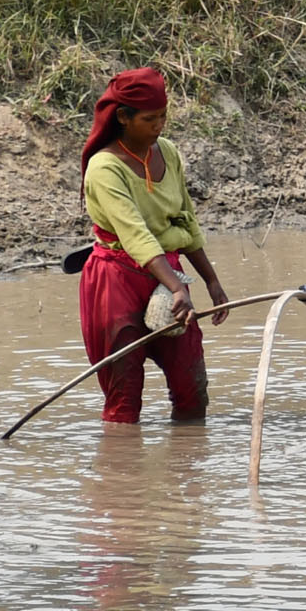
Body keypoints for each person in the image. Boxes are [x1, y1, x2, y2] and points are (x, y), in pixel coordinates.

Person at [76, 66, 226, 425]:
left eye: (163, 116)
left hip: (166, 276)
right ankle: (120, 476)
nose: (159, 125)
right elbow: (136, 236)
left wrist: (211, 281)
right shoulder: (104, 168)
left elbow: (185, 220)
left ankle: (188, 470)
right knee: (123, 397)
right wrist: (178, 287)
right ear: (124, 118)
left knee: (191, 387)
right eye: (149, 118)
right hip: (117, 280)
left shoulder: (168, 153)